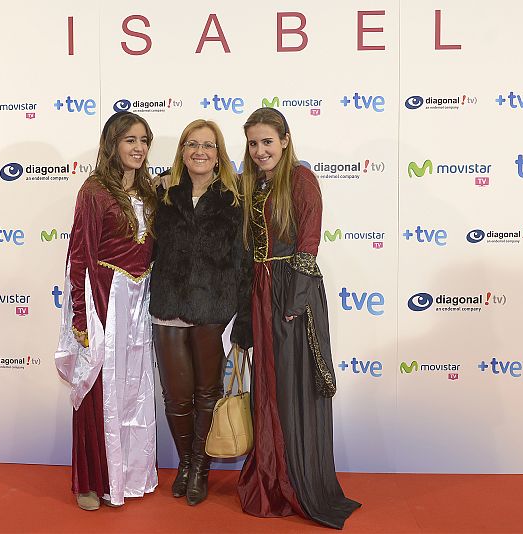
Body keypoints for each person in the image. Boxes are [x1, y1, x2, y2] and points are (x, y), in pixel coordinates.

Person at [236, 108, 361, 529]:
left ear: (285, 140)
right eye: (253, 143)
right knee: (268, 385)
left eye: (267, 141)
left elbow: (308, 241)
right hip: (261, 292)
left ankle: (298, 480)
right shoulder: (253, 184)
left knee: (292, 386)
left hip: (292, 290)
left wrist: (297, 299)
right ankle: (271, 476)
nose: (260, 151)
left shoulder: (301, 180)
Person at [56, 111, 158, 511]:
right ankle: (90, 482)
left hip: (140, 302)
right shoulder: (95, 190)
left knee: (133, 390)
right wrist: (81, 317)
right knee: (97, 385)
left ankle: (128, 477)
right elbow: (79, 256)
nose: (139, 147)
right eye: (130, 139)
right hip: (105, 300)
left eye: (144, 140)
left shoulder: (150, 192)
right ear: (112, 144)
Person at [149, 119, 252, 506]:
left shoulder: (234, 198)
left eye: (208, 145)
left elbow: (244, 260)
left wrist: (243, 316)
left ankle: (199, 469)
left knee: (207, 394)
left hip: (214, 309)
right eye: (192, 144)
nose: (200, 151)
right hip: (168, 307)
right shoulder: (163, 194)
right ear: (182, 150)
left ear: (219, 154)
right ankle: (186, 463)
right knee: (176, 397)